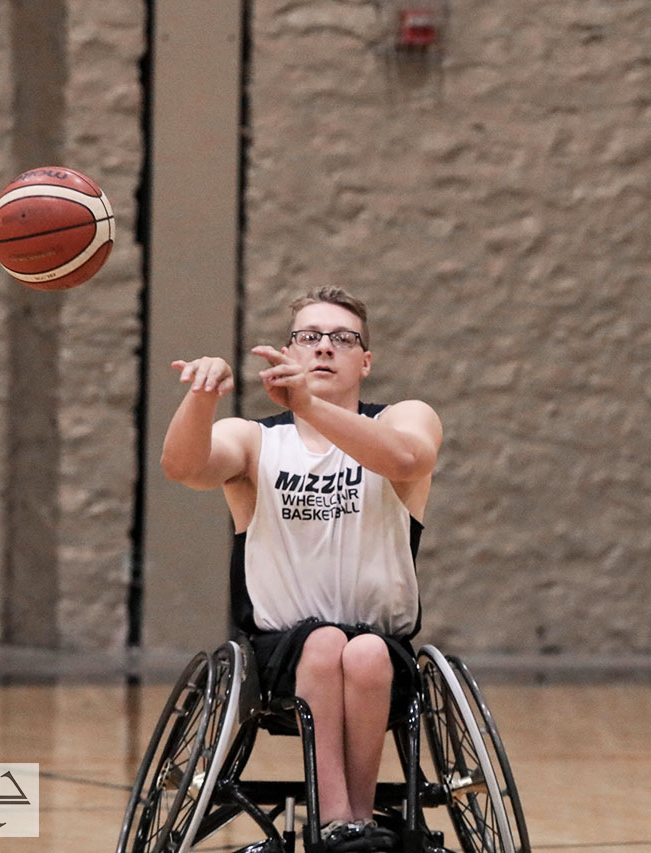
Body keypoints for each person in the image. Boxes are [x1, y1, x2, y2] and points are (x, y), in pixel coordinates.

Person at [161, 286, 442, 853]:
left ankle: (352, 824)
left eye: (342, 339)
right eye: (309, 337)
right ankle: (339, 822)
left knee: (358, 649)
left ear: (365, 361)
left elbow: (407, 459)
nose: (323, 348)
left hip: (382, 651)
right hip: (280, 655)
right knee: (322, 643)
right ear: (289, 351)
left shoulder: (406, 418)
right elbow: (183, 467)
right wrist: (201, 398)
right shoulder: (257, 439)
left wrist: (310, 406)